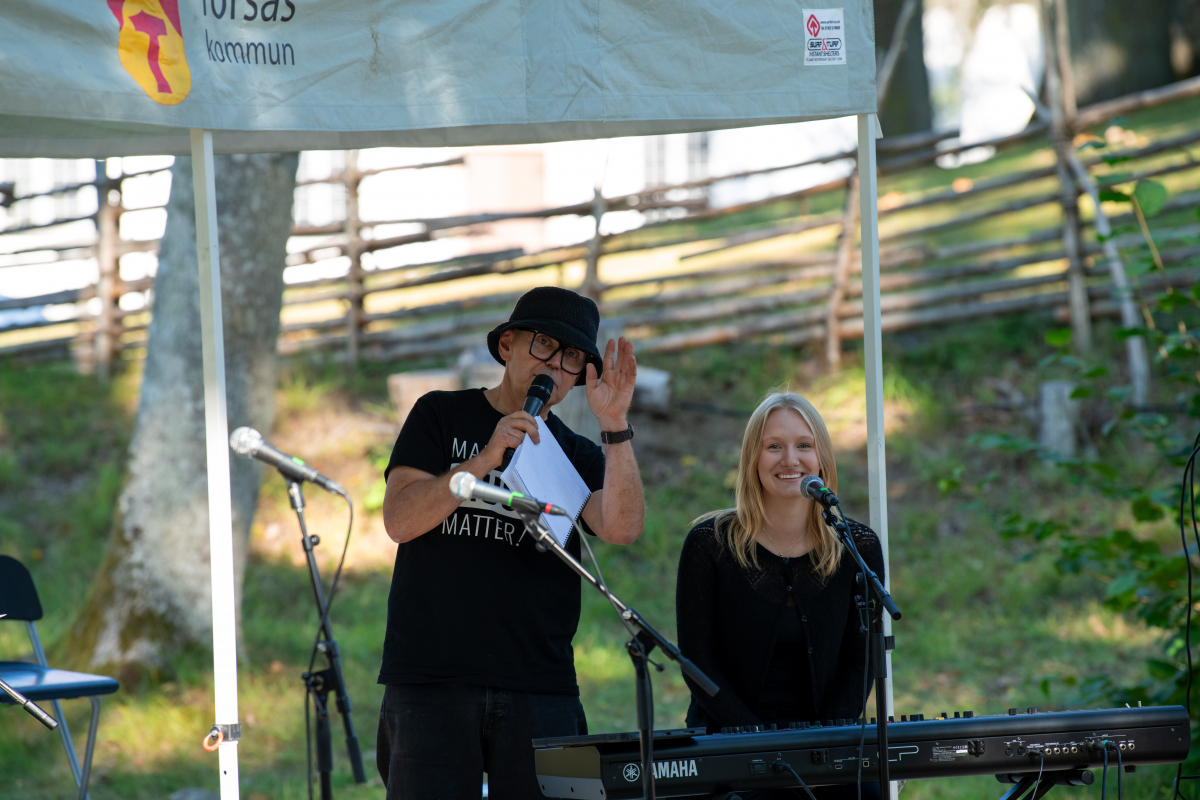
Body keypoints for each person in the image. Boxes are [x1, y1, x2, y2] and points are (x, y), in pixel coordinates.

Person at [376, 286, 645, 800]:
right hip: (431, 679)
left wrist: (615, 427)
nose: (555, 367)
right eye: (543, 345)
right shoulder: (439, 414)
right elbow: (399, 519)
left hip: (540, 684)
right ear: (507, 346)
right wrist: (482, 460)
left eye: (571, 359)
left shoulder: (578, 452)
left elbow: (622, 527)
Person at [675, 390, 884, 800]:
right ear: (753, 459)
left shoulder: (857, 547)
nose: (791, 460)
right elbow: (698, 662)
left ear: (821, 457)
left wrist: (822, 748)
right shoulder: (709, 544)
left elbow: (861, 662)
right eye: (774, 446)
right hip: (728, 743)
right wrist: (758, 745)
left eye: (804, 445)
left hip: (826, 747)